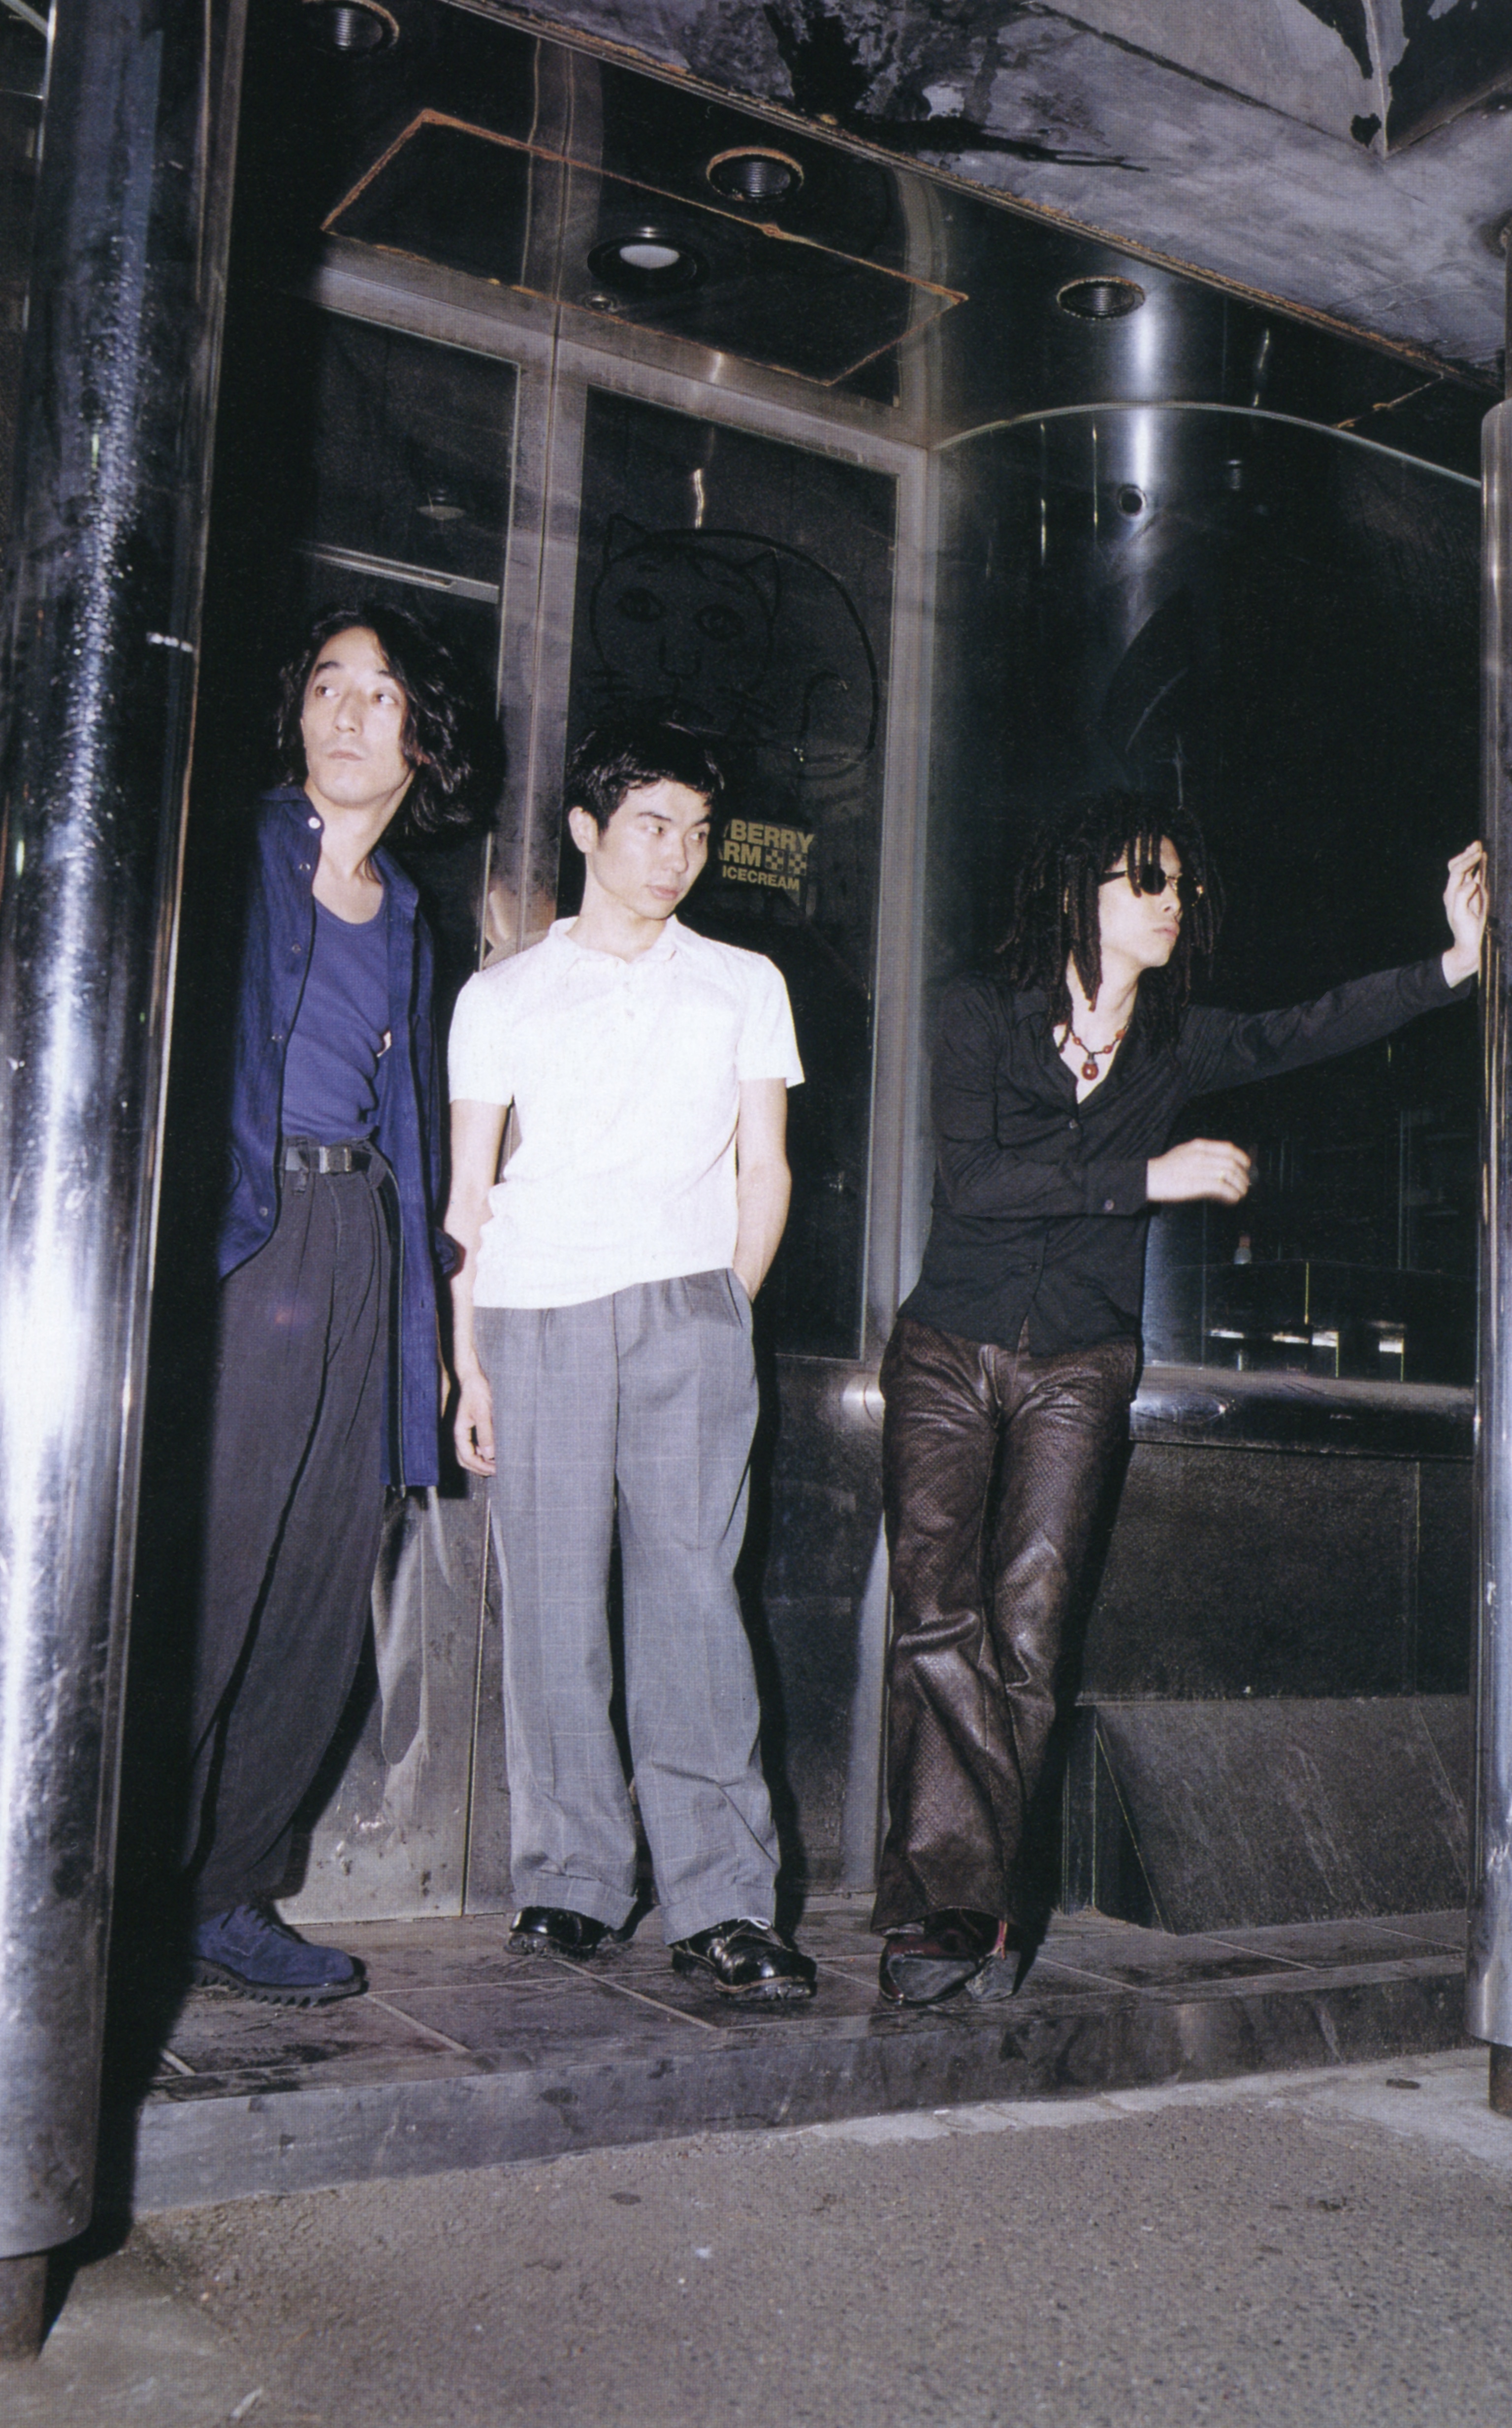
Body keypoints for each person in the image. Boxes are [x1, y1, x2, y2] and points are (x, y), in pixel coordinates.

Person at [873, 793, 1486, 2007]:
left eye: (1182, 887)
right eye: (1145, 881)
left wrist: (1453, 966)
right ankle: (953, 1901)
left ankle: (963, 1907)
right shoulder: (978, 1011)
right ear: (1076, 890)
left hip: (1080, 1362)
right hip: (947, 1349)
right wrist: (1146, 1176)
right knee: (937, 1620)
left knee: (1031, 1628)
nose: (1173, 904)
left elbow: (1308, 1028)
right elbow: (978, 1181)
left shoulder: (1174, 1043)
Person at [445, 717, 817, 2004]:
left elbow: (767, 1167)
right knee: (553, 1605)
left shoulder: (743, 982)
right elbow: (468, 1194)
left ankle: (723, 1901)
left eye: (698, 832)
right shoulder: (502, 995)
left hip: (688, 1309)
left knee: (695, 1603)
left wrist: (723, 1304)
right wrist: (468, 1361)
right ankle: (572, 1878)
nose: (678, 855)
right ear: (587, 829)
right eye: (653, 825)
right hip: (534, 1307)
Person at [184, 603, 489, 2005]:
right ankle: (115, 1888)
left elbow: (412, 1128)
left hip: (359, 1241)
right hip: (244, 1241)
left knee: (318, 1595)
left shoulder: (411, 916)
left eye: (381, 692)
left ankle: (228, 1892)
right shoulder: (228, 848)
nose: (349, 711)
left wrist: (428, 1329)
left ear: (424, 736)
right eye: (327, 685)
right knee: (208, 1576)